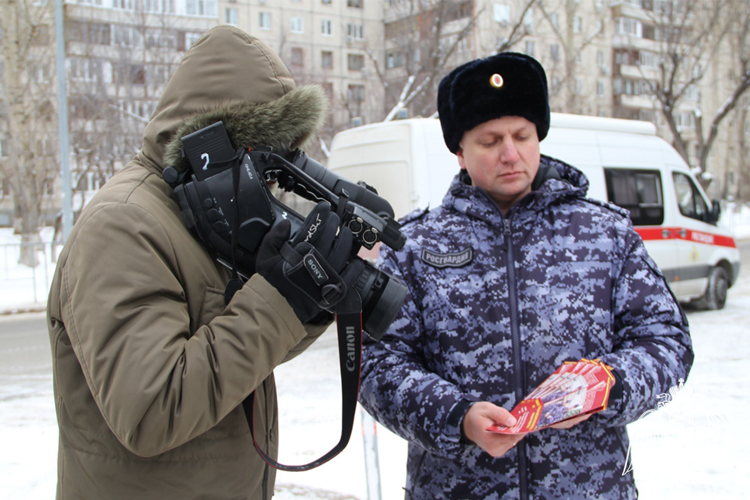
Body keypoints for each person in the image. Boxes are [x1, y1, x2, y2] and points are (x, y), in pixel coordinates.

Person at [358, 52, 694, 499]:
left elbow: (667, 341)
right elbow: (375, 364)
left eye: (522, 135)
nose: (511, 153)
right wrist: (457, 416)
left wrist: (608, 386)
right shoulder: (415, 246)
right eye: (490, 140)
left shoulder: (605, 232)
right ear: (460, 151)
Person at [47, 26, 359, 500]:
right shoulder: (125, 224)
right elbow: (152, 409)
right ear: (209, 140)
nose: (263, 176)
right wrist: (280, 300)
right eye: (255, 154)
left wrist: (309, 300)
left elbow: (236, 363)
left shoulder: (198, 214)